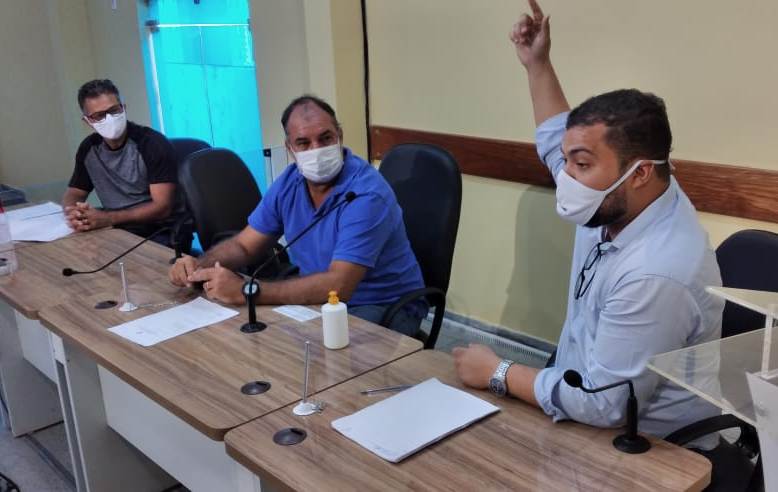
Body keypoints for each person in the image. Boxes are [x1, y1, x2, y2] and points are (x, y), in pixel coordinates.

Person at [454, 0, 723, 450]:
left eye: (580, 164)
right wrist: (537, 64)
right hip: (585, 405)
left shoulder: (658, 271)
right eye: (570, 161)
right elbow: (554, 137)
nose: (566, 178)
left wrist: (498, 372)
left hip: (652, 449)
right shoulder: (625, 195)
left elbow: (603, 404)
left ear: (639, 172)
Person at [168, 95, 427, 336]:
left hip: (381, 304)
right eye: (303, 142)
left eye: (325, 138)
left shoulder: (367, 194)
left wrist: (248, 290)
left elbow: (340, 285)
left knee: (313, 355)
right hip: (321, 298)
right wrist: (199, 266)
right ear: (290, 148)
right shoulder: (289, 183)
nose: (317, 149)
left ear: (339, 136)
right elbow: (244, 246)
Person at [63, 79, 186, 247]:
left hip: (160, 232)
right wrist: (74, 214)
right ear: (88, 121)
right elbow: (75, 193)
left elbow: (162, 208)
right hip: (115, 228)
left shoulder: (152, 144)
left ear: (123, 108)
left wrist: (108, 218)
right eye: (99, 116)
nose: (109, 119)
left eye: (114, 110)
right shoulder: (89, 148)